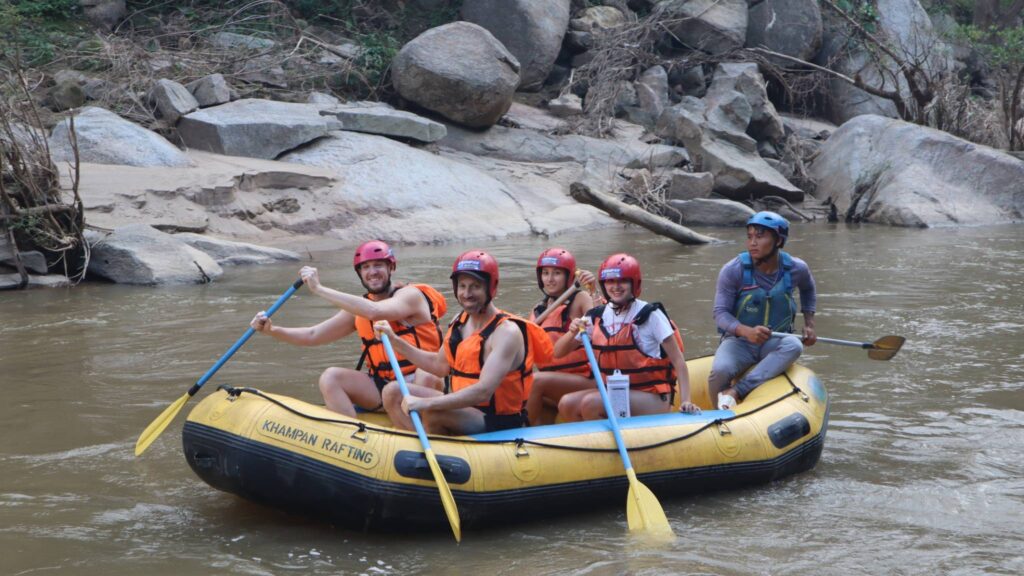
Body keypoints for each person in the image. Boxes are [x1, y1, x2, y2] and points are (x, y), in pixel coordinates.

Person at [250, 240, 446, 417]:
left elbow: (375, 311)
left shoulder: (410, 296)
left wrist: (319, 289)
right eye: (365, 267)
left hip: (421, 383)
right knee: (331, 377)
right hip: (382, 385)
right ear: (360, 273)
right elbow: (313, 335)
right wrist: (272, 330)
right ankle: (351, 436)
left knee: (426, 374)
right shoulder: (358, 309)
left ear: (391, 267)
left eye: (378, 265)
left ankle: (426, 426)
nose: (372, 272)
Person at [377, 249, 552, 435]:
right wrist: (394, 341)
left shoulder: (506, 332)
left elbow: (483, 391)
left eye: (475, 286)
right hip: (464, 409)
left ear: (491, 287)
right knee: (392, 392)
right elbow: (439, 366)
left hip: (498, 421)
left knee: (435, 413)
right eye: (462, 286)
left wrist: (426, 403)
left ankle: (434, 442)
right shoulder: (460, 322)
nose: (467, 294)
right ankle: (418, 443)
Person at [555, 253, 700, 421]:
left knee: (591, 403)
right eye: (610, 281)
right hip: (616, 392)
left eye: (622, 281)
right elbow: (558, 353)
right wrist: (572, 332)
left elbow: (678, 361)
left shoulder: (650, 315)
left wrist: (686, 401)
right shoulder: (596, 316)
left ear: (634, 284)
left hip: (651, 396)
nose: (616, 287)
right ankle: (591, 436)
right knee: (566, 403)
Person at [710, 211, 817, 409]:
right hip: (739, 342)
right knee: (720, 370)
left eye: (760, 237)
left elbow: (808, 289)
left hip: (776, 340)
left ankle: (738, 391)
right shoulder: (733, 270)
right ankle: (717, 412)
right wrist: (746, 331)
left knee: (794, 345)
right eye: (749, 236)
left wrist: (809, 324)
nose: (752, 243)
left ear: (778, 240)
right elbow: (720, 313)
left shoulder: (797, 268)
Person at [525, 248, 596, 425]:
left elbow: (598, 322)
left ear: (568, 276)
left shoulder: (581, 298)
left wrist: (593, 291)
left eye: (556, 273)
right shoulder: (537, 310)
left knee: (536, 381)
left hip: (585, 380)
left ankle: (520, 432)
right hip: (553, 382)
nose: (550, 279)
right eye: (545, 273)